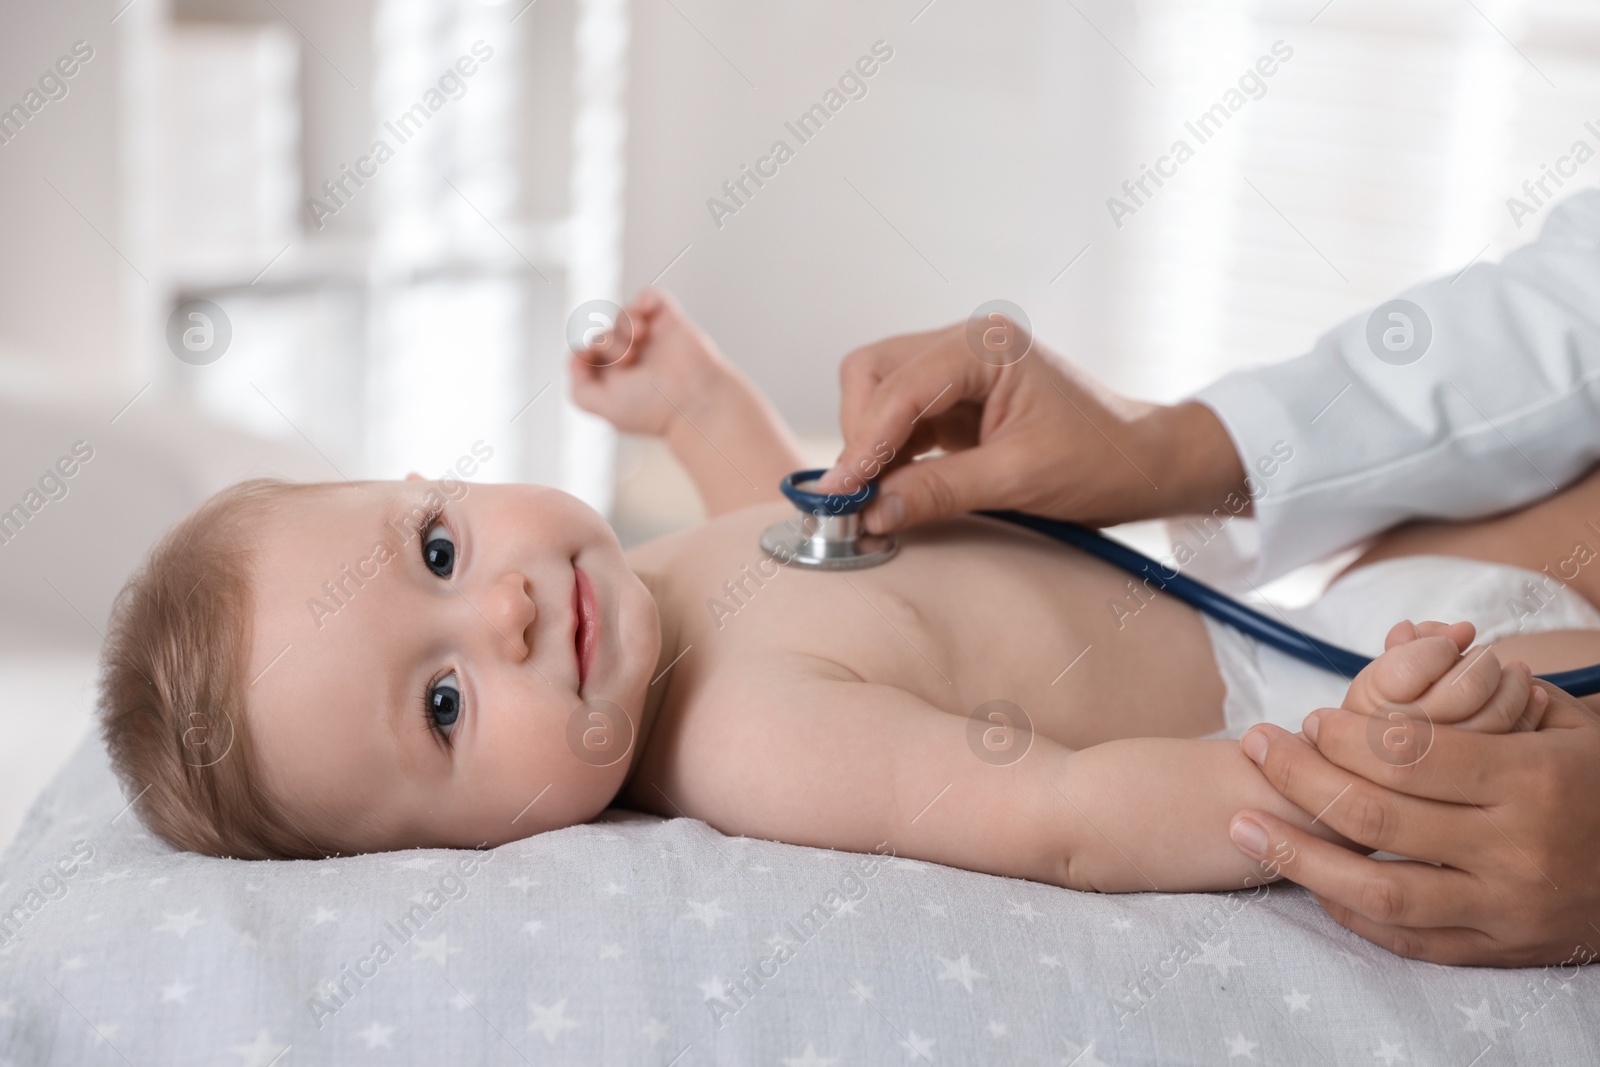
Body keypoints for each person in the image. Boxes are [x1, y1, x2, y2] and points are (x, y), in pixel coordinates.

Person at [99, 291, 1574, 904]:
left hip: (1312, 596)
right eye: (442, 703)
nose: (503, 615)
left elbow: (778, 522)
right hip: (1297, 696)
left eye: (434, 548)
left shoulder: (644, 585)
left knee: (1532, 480)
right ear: (464, 845)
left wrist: (695, 403)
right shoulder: (753, 742)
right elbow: (1052, 813)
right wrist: (1312, 785)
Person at [815, 189, 1600, 966]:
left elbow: (1068, 817)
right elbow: (1572, 298)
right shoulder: (731, 713)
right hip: (1401, 629)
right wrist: (1161, 447)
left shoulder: (727, 696)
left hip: (1391, 694)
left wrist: (1342, 785)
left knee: (1458, 721)